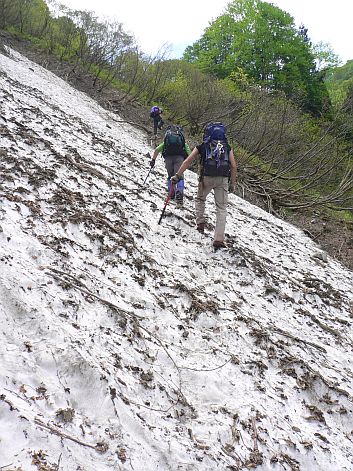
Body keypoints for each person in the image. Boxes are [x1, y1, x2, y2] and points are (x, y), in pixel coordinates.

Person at [171, 122, 237, 248]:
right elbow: (233, 166)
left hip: (206, 178)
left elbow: (187, 160)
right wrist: (233, 183)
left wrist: (178, 175)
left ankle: (200, 224)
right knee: (221, 209)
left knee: (200, 199)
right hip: (222, 179)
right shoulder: (227, 147)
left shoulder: (203, 145)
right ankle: (218, 239)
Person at [150, 125, 191, 207]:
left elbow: (157, 149)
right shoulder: (182, 141)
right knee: (179, 176)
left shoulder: (166, 141)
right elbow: (190, 153)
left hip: (168, 158)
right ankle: (179, 195)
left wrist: (153, 160)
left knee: (170, 176)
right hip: (179, 158)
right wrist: (187, 162)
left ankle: (171, 193)